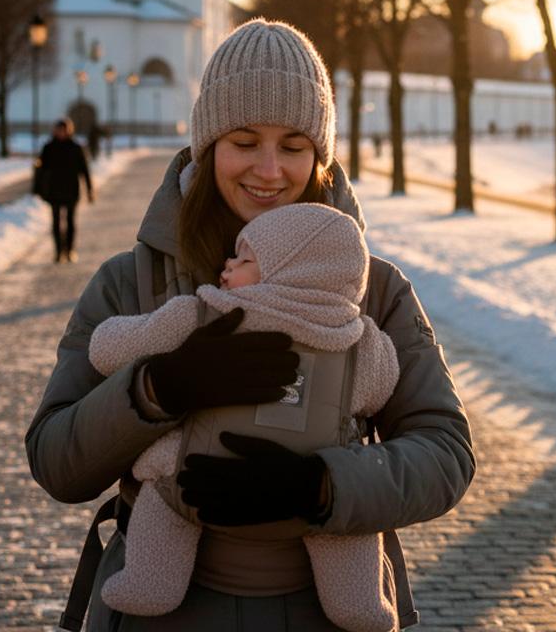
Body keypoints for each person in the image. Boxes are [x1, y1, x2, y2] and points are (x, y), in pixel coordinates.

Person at [26, 19, 475, 631]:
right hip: (161, 615)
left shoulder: (374, 292)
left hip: (322, 614)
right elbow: (56, 459)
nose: (269, 171)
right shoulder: (130, 284)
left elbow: (445, 454)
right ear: (209, 145)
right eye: (244, 140)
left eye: (293, 146)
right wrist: (157, 390)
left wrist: (320, 486)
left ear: (320, 156)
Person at [88, 202, 400, 632]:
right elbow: (380, 389)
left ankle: (150, 584)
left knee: (165, 488)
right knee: (345, 530)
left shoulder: (199, 315)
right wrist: (166, 381)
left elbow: (108, 348)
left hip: (205, 468)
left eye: (245, 259)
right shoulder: (359, 343)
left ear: (292, 273)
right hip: (318, 470)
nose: (227, 265)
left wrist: (131, 349)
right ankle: (359, 603)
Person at [34, 118, 94, 262]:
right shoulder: (48, 147)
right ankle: (58, 251)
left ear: (69, 130)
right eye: (58, 129)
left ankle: (70, 249)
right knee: (55, 222)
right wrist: (37, 189)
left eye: (63, 129)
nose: (61, 132)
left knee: (70, 221)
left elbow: (84, 170)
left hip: (71, 190)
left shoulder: (76, 147)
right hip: (53, 190)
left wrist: (89, 189)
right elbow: (40, 170)